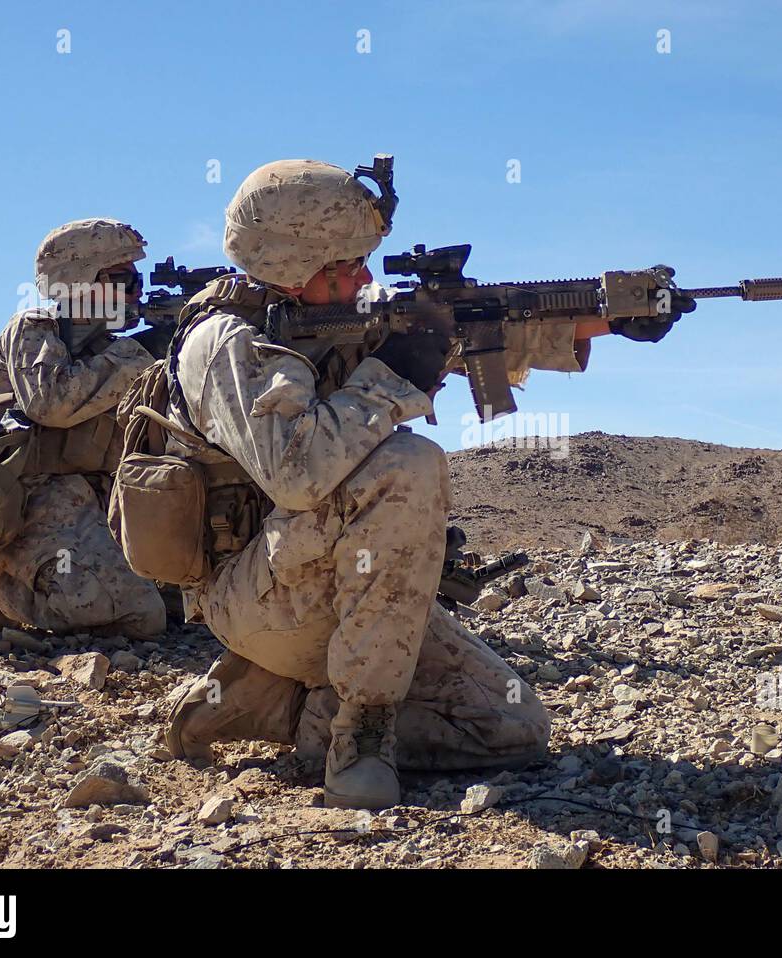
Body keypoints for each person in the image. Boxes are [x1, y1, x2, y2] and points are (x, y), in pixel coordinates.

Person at [158, 159, 625, 809]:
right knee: (408, 464)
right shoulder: (222, 344)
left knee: (511, 727)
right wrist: (396, 372)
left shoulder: (353, 314)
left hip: (334, 587)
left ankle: (276, 706)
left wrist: (601, 317)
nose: (365, 278)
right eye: (346, 266)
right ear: (296, 264)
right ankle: (361, 735)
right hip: (253, 594)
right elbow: (296, 476)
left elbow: (488, 335)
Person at [0, 218, 166, 640]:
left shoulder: (113, 346)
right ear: (79, 279)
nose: (137, 289)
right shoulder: (34, 330)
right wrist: (140, 355)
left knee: (183, 598)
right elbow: (52, 404)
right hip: (33, 499)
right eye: (123, 277)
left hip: (103, 498)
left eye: (137, 277)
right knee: (140, 614)